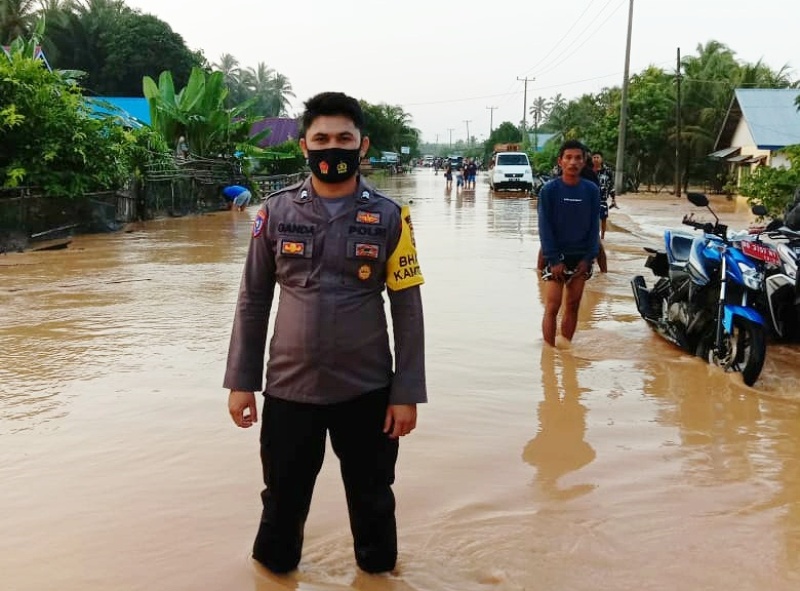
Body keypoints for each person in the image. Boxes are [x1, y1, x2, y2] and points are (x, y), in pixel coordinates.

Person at [223, 91, 427, 576]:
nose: (331, 148)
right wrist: (241, 381)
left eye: (343, 138)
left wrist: (407, 392)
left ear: (363, 146)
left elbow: (408, 309)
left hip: (369, 390)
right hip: (290, 390)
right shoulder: (273, 215)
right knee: (281, 504)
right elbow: (253, 300)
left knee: (373, 501)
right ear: (304, 146)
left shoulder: (392, 217)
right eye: (321, 138)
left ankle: (378, 580)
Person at [537, 139, 600, 347]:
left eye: (578, 158)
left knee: (572, 306)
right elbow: (545, 228)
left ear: (584, 162)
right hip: (556, 259)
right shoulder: (549, 191)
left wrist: (588, 258)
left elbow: (594, 228)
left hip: (581, 258)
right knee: (552, 307)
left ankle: (565, 351)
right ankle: (548, 356)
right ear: (560, 161)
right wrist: (553, 259)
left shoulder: (591, 190)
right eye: (568, 157)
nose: (573, 162)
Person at [591, 151, 617, 240]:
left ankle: (602, 237)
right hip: (590, 199)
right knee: (591, 218)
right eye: (594, 157)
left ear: (601, 159)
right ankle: (593, 236)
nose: (596, 159)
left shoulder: (608, 171)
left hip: (602, 199)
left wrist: (613, 199)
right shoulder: (588, 171)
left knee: (603, 218)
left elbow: (611, 185)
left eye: (597, 157)